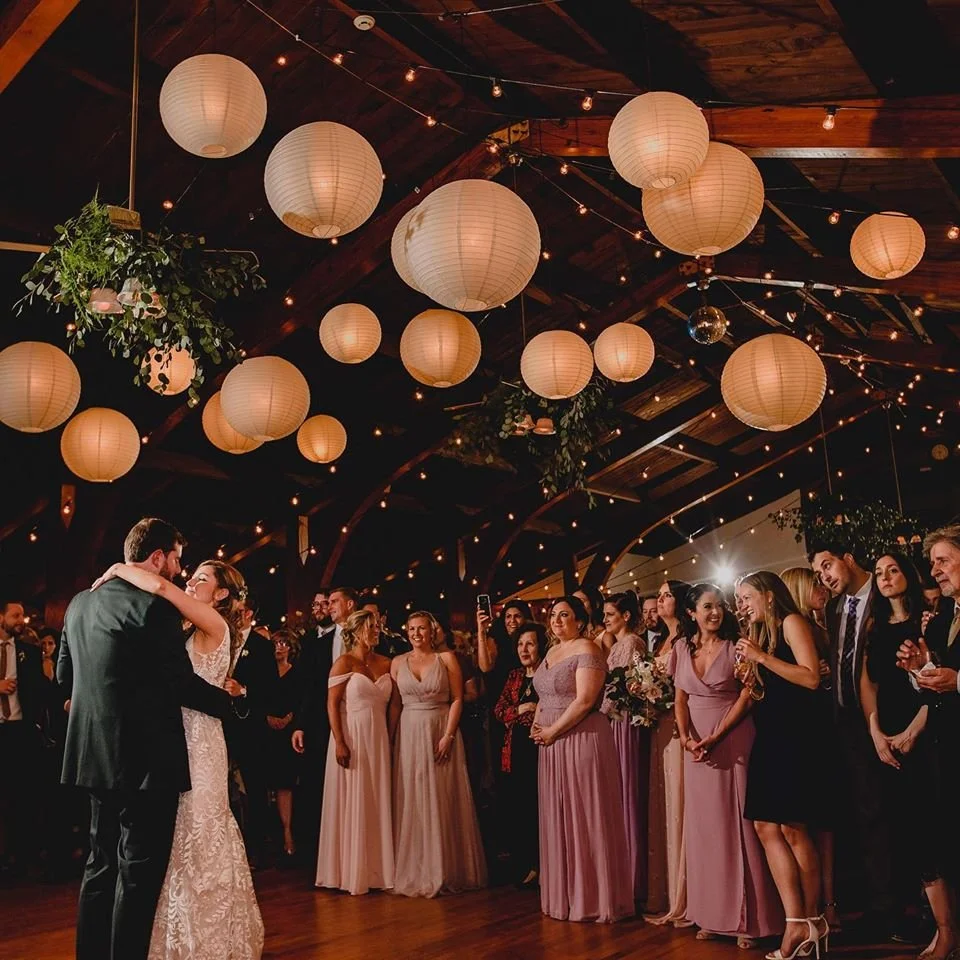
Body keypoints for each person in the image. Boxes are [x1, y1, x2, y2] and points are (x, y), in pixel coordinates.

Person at [57, 519, 245, 960]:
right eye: (178, 560)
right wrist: (234, 706)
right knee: (137, 875)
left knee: (99, 864)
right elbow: (179, 683)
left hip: (90, 756)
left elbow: (66, 676)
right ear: (158, 557)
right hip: (144, 762)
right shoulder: (155, 607)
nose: (179, 571)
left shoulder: (79, 604)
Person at [90, 555, 264, 960]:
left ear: (221, 594)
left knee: (201, 833)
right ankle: (172, 936)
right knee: (175, 839)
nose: (190, 581)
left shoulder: (214, 623)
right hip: (176, 736)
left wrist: (117, 569)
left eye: (202, 579)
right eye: (193, 575)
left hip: (200, 739)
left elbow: (163, 587)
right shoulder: (193, 624)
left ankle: (208, 940)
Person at [672, 583, 782, 948]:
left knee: (741, 825)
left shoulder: (737, 646)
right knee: (706, 829)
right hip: (695, 749)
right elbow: (680, 699)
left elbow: (749, 695)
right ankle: (710, 914)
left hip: (732, 738)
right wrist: (686, 737)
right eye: (707, 607)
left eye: (719, 606)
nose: (715, 613)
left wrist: (718, 735)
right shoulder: (680, 648)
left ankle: (751, 919)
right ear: (692, 613)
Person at [735, 571, 827, 960]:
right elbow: (770, 688)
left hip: (794, 738)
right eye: (738, 599)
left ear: (770, 596)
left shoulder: (792, 622)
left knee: (792, 828)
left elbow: (809, 679)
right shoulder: (763, 635)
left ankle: (814, 920)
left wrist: (760, 658)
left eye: (747, 597)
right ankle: (795, 923)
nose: (742, 605)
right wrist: (752, 677)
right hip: (769, 737)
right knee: (764, 826)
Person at [809, 542, 893, 933]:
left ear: (850, 559)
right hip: (843, 718)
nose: (824, 575)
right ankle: (880, 901)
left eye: (826, 565)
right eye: (818, 572)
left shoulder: (883, 596)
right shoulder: (835, 608)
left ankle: (902, 903)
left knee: (889, 808)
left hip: (883, 715)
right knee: (864, 810)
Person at [532, 596, 632, 923]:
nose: (557, 621)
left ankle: (593, 897)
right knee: (559, 815)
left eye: (565, 615)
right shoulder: (549, 652)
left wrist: (553, 731)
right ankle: (565, 892)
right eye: (554, 615)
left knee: (586, 814)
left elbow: (586, 701)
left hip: (579, 738)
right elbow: (544, 695)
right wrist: (538, 723)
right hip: (551, 742)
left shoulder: (587, 649)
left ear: (579, 620)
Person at [896, 525, 960, 960]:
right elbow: (937, 684)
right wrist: (922, 669)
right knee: (939, 839)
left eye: (942, 559)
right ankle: (949, 934)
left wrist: (958, 680)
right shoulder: (945, 618)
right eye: (933, 561)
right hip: (945, 744)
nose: (933, 569)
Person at [860, 552, 931, 944]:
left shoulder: (927, 616)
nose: (885, 578)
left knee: (929, 817)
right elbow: (868, 684)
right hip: (885, 728)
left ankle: (939, 914)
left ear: (908, 574)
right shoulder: (874, 627)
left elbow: (934, 678)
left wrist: (912, 732)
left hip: (924, 723)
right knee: (897, 821)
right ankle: (912, 910)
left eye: (893, 570)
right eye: (879, 574)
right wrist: (875, 732)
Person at [392, 611, 486, 897]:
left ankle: (446, 867)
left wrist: (447, 734)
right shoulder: (397, 663)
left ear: (432, 632)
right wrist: (389, 738)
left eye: (422, 629)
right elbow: (395, 705)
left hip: (440, 728)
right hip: (408, 733)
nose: (417, 634)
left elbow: (458, 698)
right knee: (413, 795)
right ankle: (417, 866)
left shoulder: (446, 660)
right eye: (411, 629)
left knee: (443, 794)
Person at [316, 609, 397, 895]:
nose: (377, 630)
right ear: (358, 630)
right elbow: (332, 704)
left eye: (377, 626)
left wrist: (391, 734)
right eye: (372, 627)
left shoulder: (387, 663)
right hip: (352, 733)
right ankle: (350, 870)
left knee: (376, 796)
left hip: (378, 737)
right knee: (354, 796)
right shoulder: (344, 663)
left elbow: (394, 705)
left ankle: (378, 869)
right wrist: (339, 740)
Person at [780, 566, 841, 934]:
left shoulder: (821, 626)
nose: (822, 587)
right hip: (807, 730)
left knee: (826, 822)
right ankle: (816, 908)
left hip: (825, 726)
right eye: (815, 582)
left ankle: (827, 905)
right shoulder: (794, 629)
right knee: (813, 823)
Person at [646, 579, 691, 925]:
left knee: (681, 801)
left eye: (665, 596)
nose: (660, 601)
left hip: (679, 724)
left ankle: (688, 892)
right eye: (658, 596)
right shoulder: (661, 641)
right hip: (659, 725)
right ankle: (670, 889)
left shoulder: (685, 640)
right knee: (665, 804)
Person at [599, 591, 648, 905]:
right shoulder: (617, 645)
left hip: (623, 720)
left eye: (610, 614)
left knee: (626, 791)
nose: (604, 619)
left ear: (626, 616)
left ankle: (633, 876)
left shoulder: (631, 644)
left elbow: (634, 687)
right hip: (613, 717)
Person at [492, 622, 546, 887]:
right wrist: (522, 708)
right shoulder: (514, 675)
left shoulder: (548, 673)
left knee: (542, 805)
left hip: (542, 746)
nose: (524, 649)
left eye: (530, 643)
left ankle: (545, 863)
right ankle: (528, 864)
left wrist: (536, 710)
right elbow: (499, 711)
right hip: (515, 749)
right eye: (520, 644)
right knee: (521, 807)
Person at [225, 597, 277, 868]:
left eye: (237, 610)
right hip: (222, 723)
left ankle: (257, 849)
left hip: (250, 726)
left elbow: (271, 690)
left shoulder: (262, 646)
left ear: (247, 613)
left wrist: (242, 691)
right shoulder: (222, 639)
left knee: (254, 788)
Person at [0, 600, 45, 878]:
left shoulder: (29, 651)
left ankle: (21, 857)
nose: (21, 620)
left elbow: (39, 691)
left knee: (21, 796)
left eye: (22, 615)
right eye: (15, 615)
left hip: (20, 732)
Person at [264, 629, 303, 863]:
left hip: (288, 733)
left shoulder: (297, 673)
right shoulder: (265, 672)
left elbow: (301, 700)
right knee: (264, 784)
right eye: (276, 643)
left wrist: (289, 719)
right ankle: (271, 837)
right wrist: (267, 718)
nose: (279, 647)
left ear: (290, 648)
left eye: (283, 643)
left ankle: (288, 833)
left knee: (285, 784)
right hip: (265, 731)